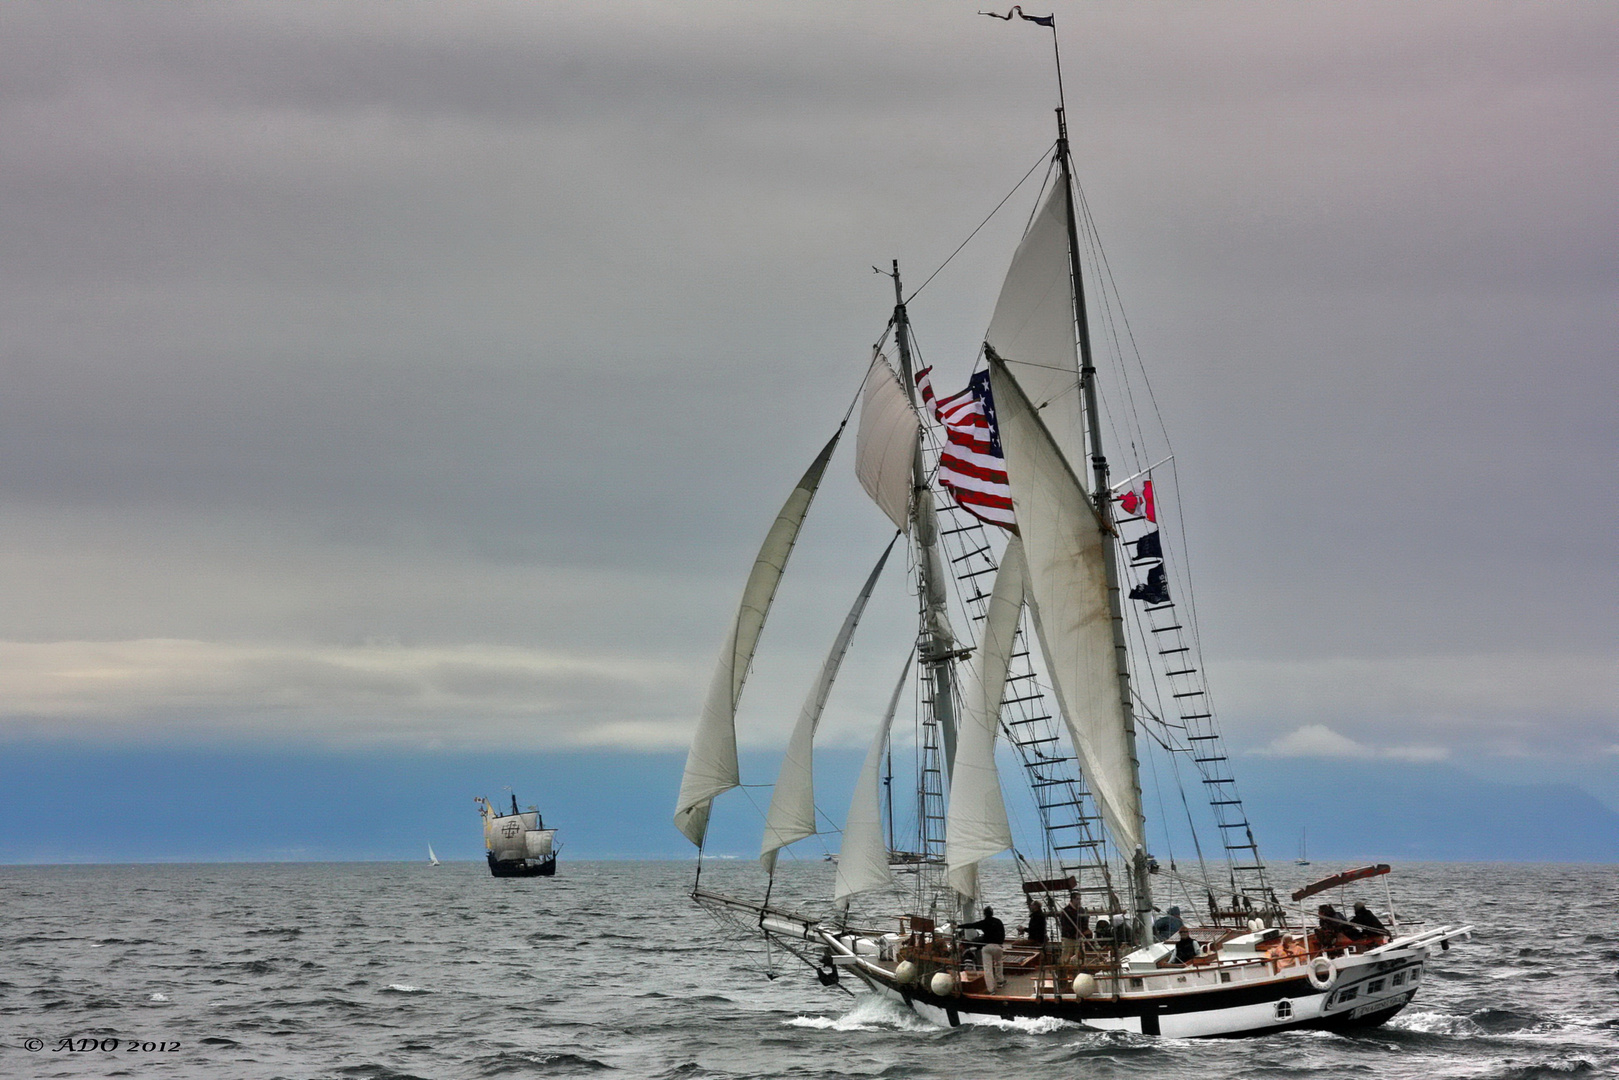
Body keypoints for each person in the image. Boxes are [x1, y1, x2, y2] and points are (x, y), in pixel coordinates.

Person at [959, 906, 1006, 991]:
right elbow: (1003, 934)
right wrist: (1000, 943)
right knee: (998, 964)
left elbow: (972, 925)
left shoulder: (984, 923)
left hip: (987, 947)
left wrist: (958, 926)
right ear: (992, 913)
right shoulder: (998, 921)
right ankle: (1000, 981)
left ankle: (991, 989)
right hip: (998, 946)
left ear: (984, 914)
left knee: (988, 968)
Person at [1058, 895, 1087, 965]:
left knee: (1081, 954)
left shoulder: (1081, 910)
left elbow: (1085, 921)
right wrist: (1072, 933)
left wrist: (1082, 931)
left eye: (1080, 899)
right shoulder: (1066, 911)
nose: (1079, 901)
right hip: (1068, 937)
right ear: (1072, 899)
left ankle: (1081, 967)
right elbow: (1064, 924)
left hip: (1079, 936)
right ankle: (1064, 969)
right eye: (1077, 899)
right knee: (1066, 955)